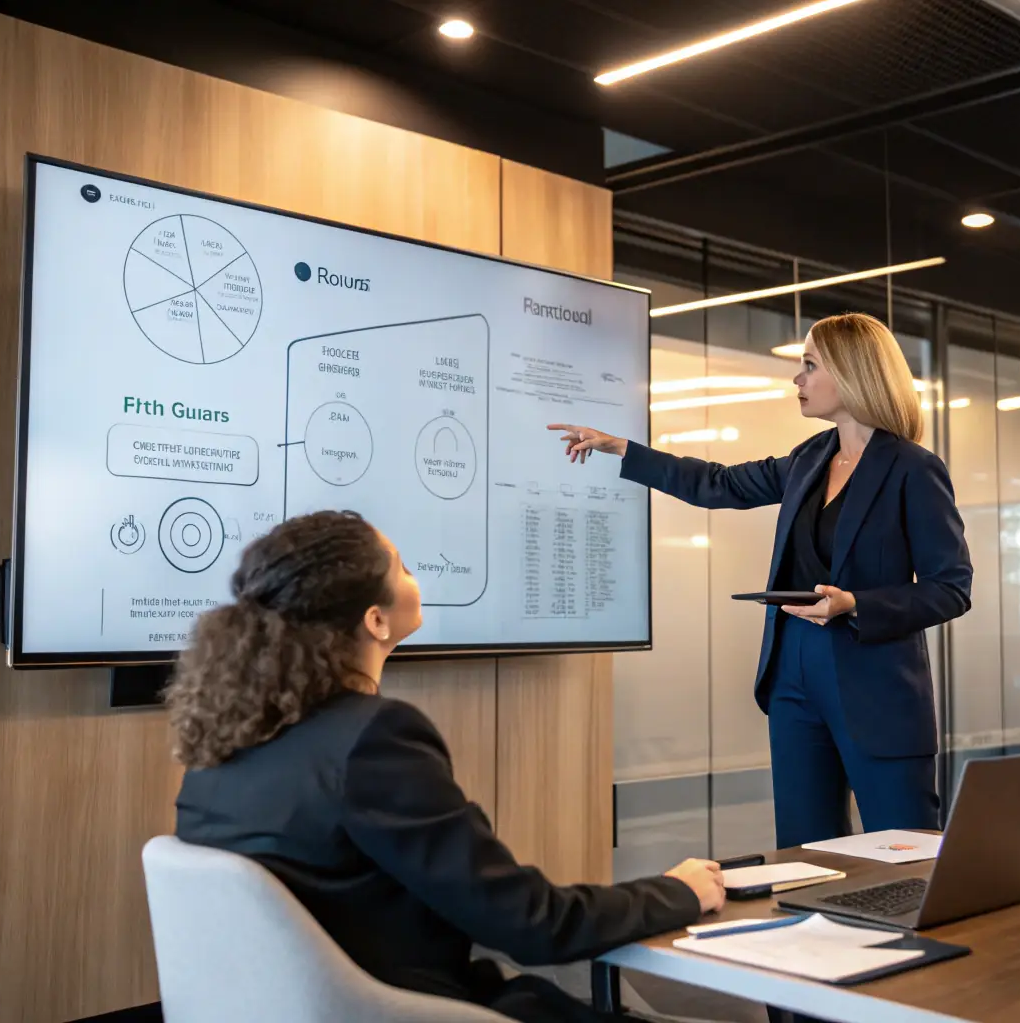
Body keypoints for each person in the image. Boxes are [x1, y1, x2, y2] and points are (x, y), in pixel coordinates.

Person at [167, 510, 724, 1023]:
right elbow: (534, 925)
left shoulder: (221, 750)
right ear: (376, 619)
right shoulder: (372, 741)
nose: (416, 575)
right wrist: (679, 891)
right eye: (404, 567)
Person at [550, 312, 972, 849]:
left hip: (875, 685)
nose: (797, 379)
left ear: (851, 373)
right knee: (806, 851)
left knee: (905, 853)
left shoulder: (914, 468)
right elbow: (717, 483)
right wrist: (624, 451)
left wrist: (855, 603)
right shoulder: (809, 457)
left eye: (810, 365)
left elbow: (951, 586)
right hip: (793, 675)